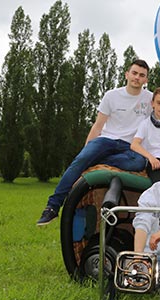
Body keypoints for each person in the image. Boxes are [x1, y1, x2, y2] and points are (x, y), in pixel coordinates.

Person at [36, 59, 153, 226]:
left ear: (146, 80)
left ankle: (95, 160)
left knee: (139, 163)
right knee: (82, 160)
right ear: (127, 74)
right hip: (107, 140)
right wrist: (86, 150)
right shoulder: (111, 96)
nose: (137, 77)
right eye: (134, 73)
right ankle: (52, 207)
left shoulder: (150, 99)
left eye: (142, 75)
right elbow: (98, 125)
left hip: (131, 146)